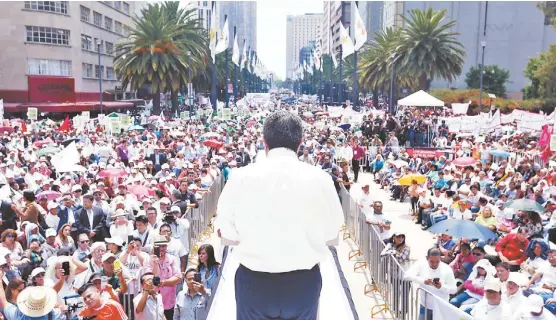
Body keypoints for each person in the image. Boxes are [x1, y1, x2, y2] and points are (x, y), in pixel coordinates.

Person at [215, 111, 344, 320]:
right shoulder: (321, 179)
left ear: (264, 143)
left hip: (253, 283)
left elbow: (227, 232)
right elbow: (333, 231)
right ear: (300, 143)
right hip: (303, 284)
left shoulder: (240, 177)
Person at [404, 248, 457, 320]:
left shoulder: (447, 269)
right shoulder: (421, 264)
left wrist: (441, 287)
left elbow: (454, 289)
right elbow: (406, 276)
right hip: (425, 306)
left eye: (437, 262)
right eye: (431, 261)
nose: (434, 264)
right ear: (427, 258)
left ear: (440, 258)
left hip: (440, 307)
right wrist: (423, 281)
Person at [144, 235, 181, 320]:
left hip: (168, 302)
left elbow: (178, 277)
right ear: (154, 247)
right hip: (153, 301)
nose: (161, 248)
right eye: (159, 246)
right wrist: (155, 263)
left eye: (163, 246)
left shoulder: (172, 259)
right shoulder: (148, 260)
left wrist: (164, 282)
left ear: (167, 246)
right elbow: (149, 278)